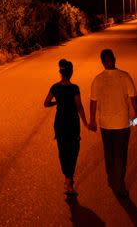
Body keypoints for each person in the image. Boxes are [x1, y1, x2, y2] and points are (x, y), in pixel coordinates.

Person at [88, 48, 137, 200]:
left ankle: (111, 178)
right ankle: (119, 184)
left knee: (109, 153)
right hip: (123, 124)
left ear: (103, 62)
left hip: (105, 124)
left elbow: (93, 102)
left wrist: (92, 121)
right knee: (120, 155)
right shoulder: (125, 76)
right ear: (114, 59)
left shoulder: (97, 79)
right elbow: (133, 98)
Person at [44, 59, 88, 195]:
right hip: (72, 122)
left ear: (61, 72)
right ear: (71, 72)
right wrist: (86, 123)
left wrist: (58, 102)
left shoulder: (55, 87)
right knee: (73, 151)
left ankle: (67, 178)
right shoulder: (74, 88)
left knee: (63, 151)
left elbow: (46, 103)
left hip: (60, 123)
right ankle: (69, 180)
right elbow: (79, 107)